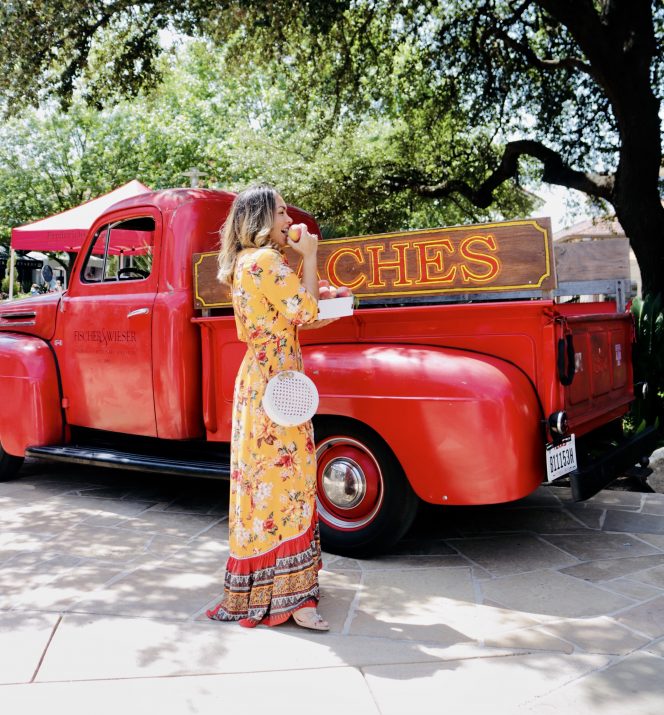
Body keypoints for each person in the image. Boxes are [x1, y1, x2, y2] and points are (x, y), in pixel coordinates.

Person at [206, 185, 330, 631]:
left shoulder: (247, 262)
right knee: (288, 481)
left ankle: (274, 586)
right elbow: (307, 312)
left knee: (265, 486)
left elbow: (296, 313)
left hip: (262, 377)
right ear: (260, 218)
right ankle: (294, 598)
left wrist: (312, 292)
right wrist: (311, 257)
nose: (286, 218)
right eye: (279, 211)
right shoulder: (266, 261)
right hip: (276, 381)